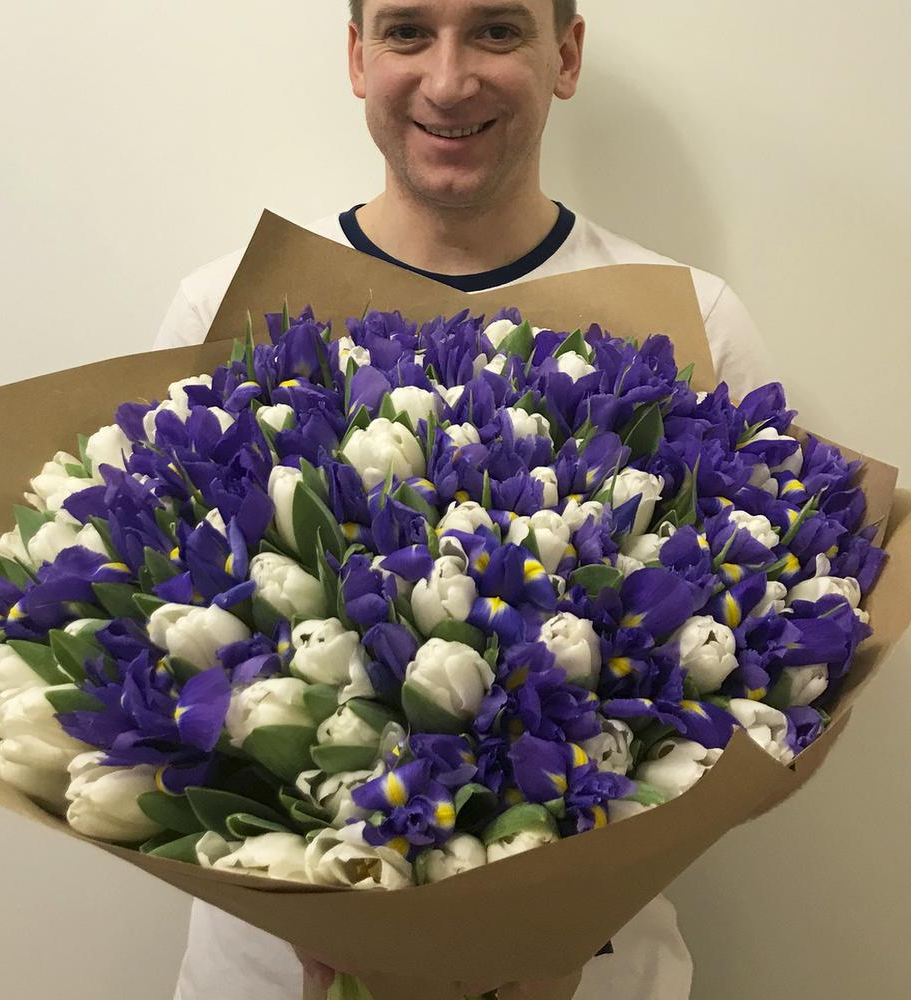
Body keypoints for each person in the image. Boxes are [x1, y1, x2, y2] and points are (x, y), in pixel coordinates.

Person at [155, 2, 773, 998]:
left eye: (495, 30)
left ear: (564, 54)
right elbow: (155, 644)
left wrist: (547, 933)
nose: (447, 81)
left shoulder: (690, 318)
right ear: (357, 58)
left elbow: (762, 674)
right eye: (407, 31)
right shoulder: (226, 303)